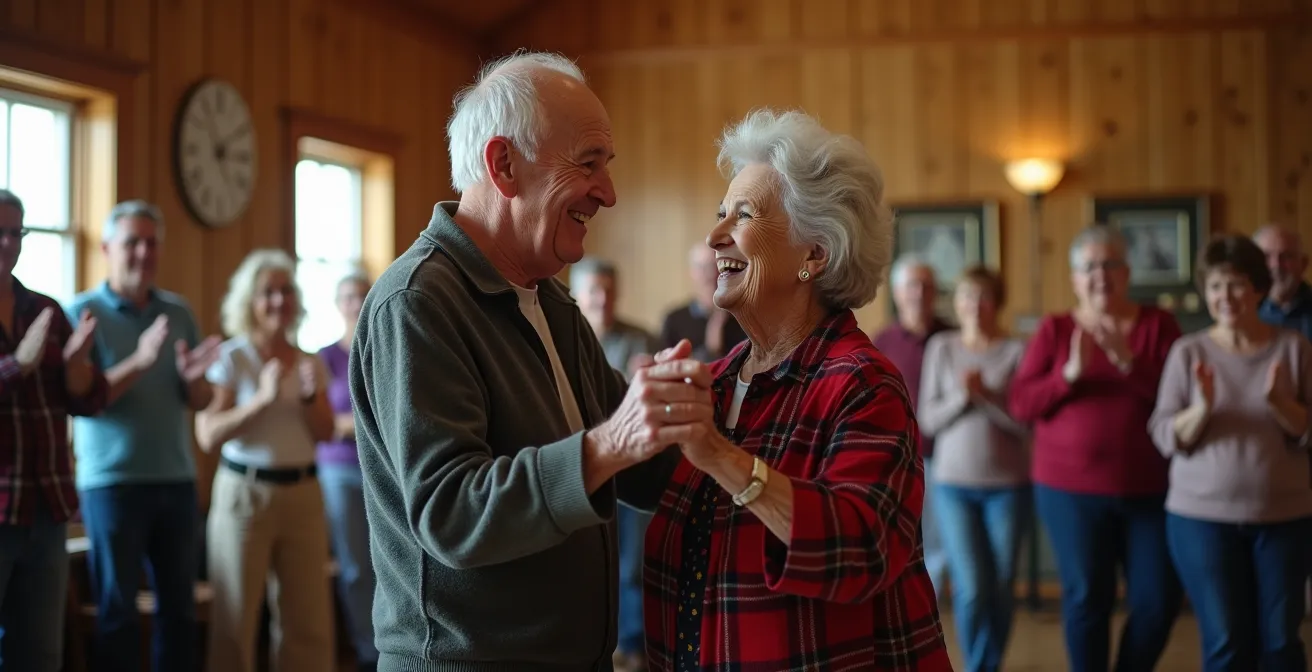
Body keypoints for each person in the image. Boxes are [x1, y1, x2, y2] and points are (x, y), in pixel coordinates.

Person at [349, 51, 710, 670]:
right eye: (588, 163)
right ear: (504, 165)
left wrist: (693, 422)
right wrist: (611, 444)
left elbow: (638, 463)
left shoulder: (551, 300)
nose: (608, 193)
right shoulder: (417, 302)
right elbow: (451, 512)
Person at [641, 108, 950, 671]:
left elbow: (862, 549)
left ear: (814, 253)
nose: (714, 237)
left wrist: (718, 455)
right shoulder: (716, 382)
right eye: (719, 214)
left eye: (743, 215)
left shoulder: (861, 382)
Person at [1008, 225, 1183, 672]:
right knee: (1087, 597)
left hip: (1150, 490)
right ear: (1075, 278)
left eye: (1110, 264)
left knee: (1159, 600)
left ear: (1127, 273)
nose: (1100, 275)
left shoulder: (1158, 326)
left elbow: (1180, 400)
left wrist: (1128, 362)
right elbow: (1022, 404)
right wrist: (1067, 376)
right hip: (1069, 492)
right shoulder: (1055, 329)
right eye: (1089, 267)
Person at [67, 200, 220, 672]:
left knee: (179, 614)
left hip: (176, 480)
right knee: (118, 614)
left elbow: (199, 400)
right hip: (112, 485)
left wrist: (194, 381)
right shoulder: (82, 313)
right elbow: (82, 398)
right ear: (107, 248)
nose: (143, 253)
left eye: (151, 243)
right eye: (132, 242)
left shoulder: (178, 311)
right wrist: (141, 360)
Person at [1149, 234, 1312, 671]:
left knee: (1280, 642)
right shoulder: (1188, 352)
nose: (1226, 296)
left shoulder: (1293, 348)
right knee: (1226, 643)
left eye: (1237, 283)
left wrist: (1281, 404)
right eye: (1216, 285)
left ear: (1258, 288)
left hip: (1285, 519)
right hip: (1201, 520)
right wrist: (1201, 409)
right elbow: (1163, 433)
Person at [197, 249, 336, 672]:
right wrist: (261, 399)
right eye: (268, 292)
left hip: (304, 496)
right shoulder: (233, 358)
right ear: (249, 302)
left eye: (287, 291)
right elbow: (207, 434)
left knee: (308, 624)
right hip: (245, 496)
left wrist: (310, 399)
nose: (279, 300)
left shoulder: (309, 361)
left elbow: (325, 432)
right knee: (234, 621)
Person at [0, 189, 107, 671]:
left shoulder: (44, 309)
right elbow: (19, 369)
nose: (7, 243)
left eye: (15, 232)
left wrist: (78, 367)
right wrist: (17, 364)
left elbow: (88, 400)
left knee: (41, 655)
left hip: (47, 509)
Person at [917, 266, 1030, 672]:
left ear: (997, 303)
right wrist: (963, 398)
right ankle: (978, 666)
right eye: (967, 296)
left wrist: (987, 397)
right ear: (957, 303)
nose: (975, 306)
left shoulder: (1017, 350)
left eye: (984, 297)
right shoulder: (942, 347)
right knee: (971, 587)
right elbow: (928, 419)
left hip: (1008, 487)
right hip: (952, 486)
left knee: (1001, 583)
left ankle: (988, 663)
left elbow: (1025, 422)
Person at [568, 256, 660, 672]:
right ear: (577, 295)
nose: (602, 299)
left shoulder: (640, 338)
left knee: (631, 562)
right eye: (594, 290)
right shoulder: (563, 343)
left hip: (633, 466)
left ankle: (633, 644)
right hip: (581, 468)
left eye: (608, 290)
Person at [873, 254, 951, 594]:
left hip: (944, 458)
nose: (920, 293)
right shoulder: (882, 342)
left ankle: (931, 605)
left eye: (927, 286)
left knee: (938, 542)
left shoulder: (952, 337)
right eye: (912, 285)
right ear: (897, 293)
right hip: (896, 459)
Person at [316, 271, 377, 671]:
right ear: (338, 305)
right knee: (354, 566)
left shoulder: (382, 349)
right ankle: (367, 651)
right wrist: (365, 423)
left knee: (387, 561)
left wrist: (348, 423)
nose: (356, 303)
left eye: (362, 295)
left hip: (382, 471)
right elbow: (323, 422)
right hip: (338, 472)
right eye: (349, 297)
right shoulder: (324, 357)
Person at [659, 244, 748, 362]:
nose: (712, 274)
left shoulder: (746, 317)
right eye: (704, 268)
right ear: (692, 273)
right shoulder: (674, 320)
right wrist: (710, 350)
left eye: (718, 267)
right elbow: (666, 364)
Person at [1254, 223, 1312, 341]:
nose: (1276, 265)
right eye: (1266, 256)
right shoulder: (1239, 311)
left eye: (1286, 256)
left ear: (1303, 264)